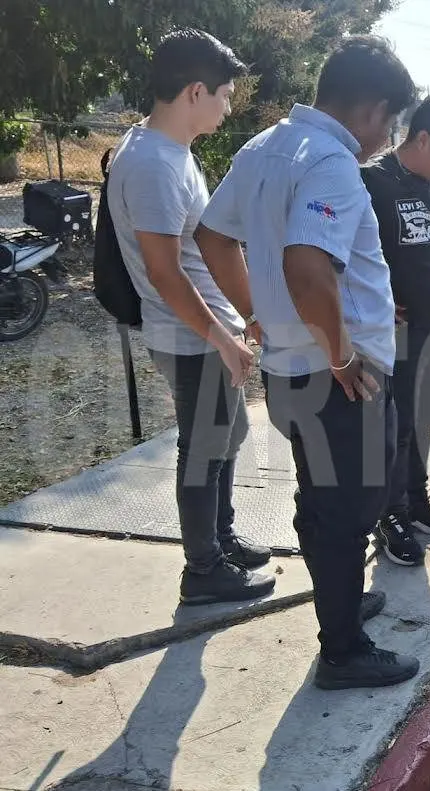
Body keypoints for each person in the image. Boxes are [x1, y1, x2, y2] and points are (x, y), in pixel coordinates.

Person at [195, 36, 419, 690]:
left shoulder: (265, 146)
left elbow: (213, 235)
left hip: (293, 369)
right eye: (391, 123)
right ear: (375, 110)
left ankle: (340, 600)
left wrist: (256, 309)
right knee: (349, 505)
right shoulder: (332, 163)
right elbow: (307, 267)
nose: (386, 138)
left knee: (324, 494)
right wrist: (344, 351)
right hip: (339, 375)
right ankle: (343, 649)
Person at [106, 28, 276, 606]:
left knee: (226, 437)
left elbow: (199, 253)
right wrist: (221, 338)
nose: (228, 108)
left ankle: (221, 540)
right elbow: (164, 272)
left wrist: (240, 319)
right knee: (203, 448)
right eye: (225, 95)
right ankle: (204, 568)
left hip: (210, 332)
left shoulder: (169, 152)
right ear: (195, 91)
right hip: (190, 336)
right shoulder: (153, 163)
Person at [360, 96, 430, 567]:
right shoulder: (374, 180)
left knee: (425, 416)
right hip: (398, 333)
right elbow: (351, 255)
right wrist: (379, 304)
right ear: (423, 139)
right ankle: (392, 516)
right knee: (398, 426)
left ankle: (417, 499)